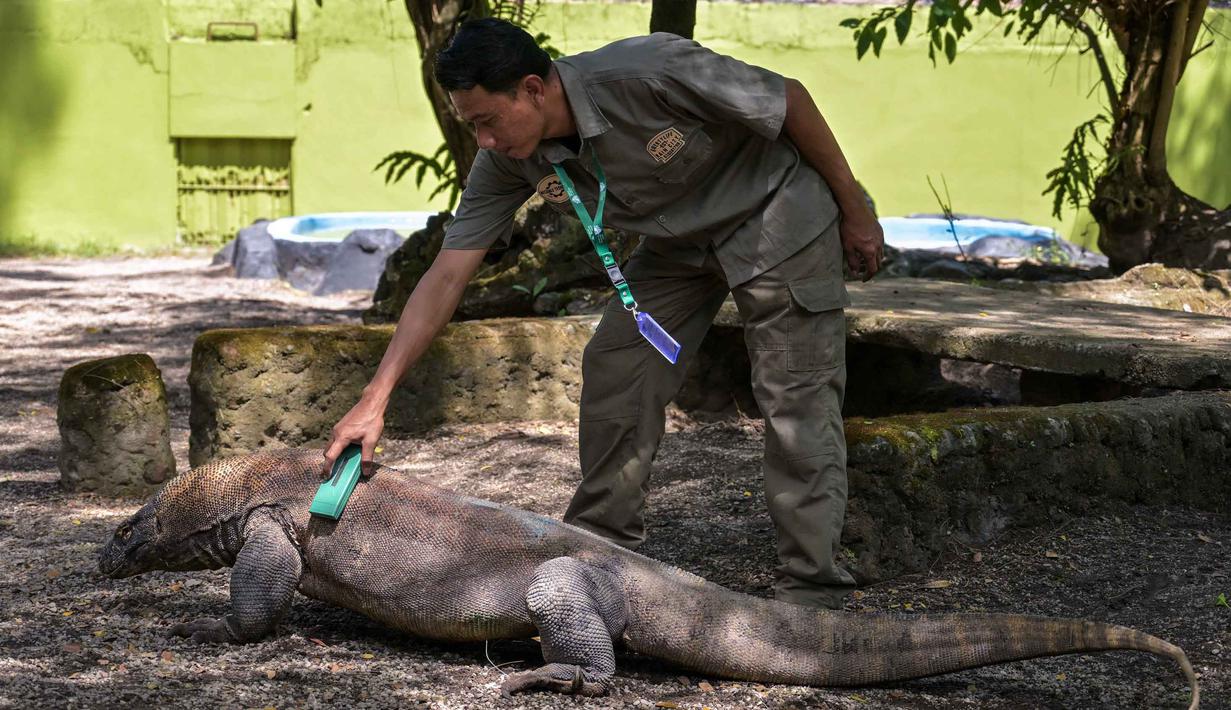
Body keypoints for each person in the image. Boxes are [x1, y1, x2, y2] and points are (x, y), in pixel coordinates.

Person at [322, 18, 883, 609]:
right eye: (471, 125)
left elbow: (788, 99)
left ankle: (811, 591)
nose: (482, 140)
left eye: (487, 120)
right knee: (618, 368)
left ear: (534, 89)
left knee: (794, 395)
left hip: (775, 215)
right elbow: (446, 276)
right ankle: (598, 552)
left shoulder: (647, 73)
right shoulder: (509, 159)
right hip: (677, 244)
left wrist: (855, 211)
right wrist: (374, 399)